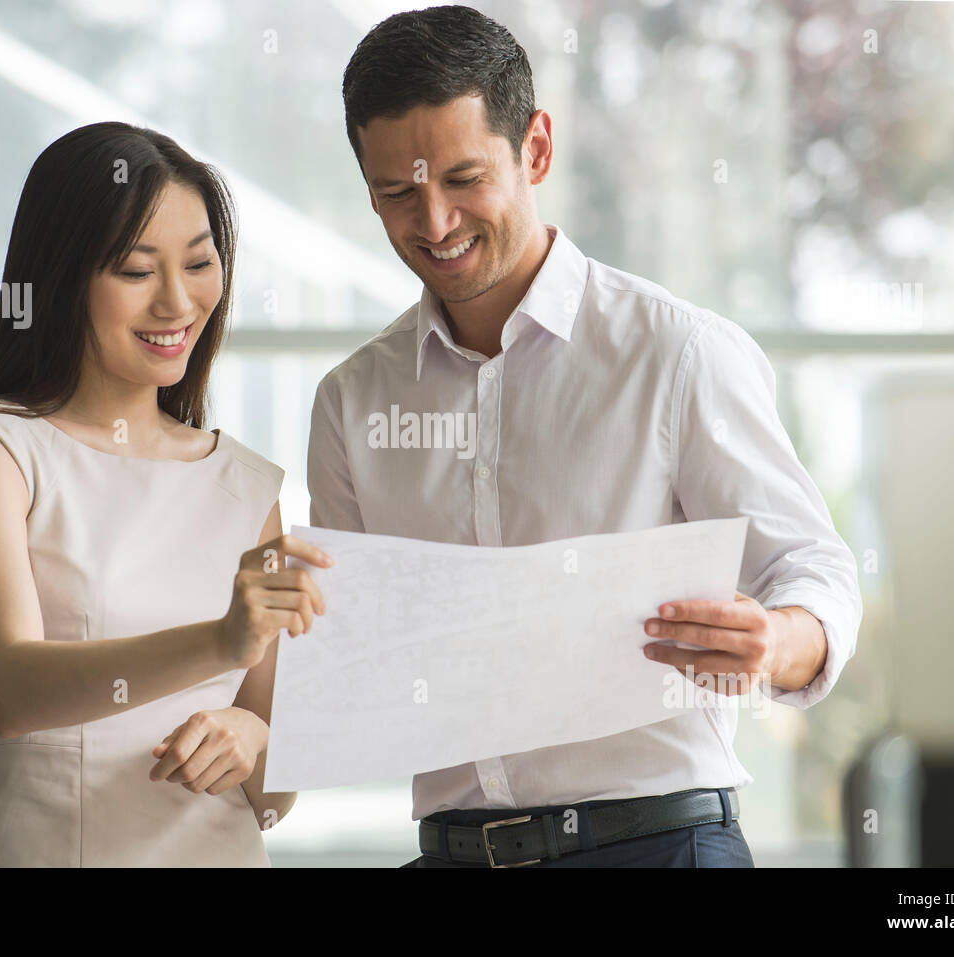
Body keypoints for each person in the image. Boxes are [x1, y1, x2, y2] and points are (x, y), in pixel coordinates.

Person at [308, 6, 863, 867]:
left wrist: (780, 641)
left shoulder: (677, 352)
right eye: (396, 193)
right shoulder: (351, 401)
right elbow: (348, 651)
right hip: (448, 848)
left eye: (464, 178)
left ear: (535, 149)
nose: (435, 221)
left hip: (659, 842)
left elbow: (815, 568)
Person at [0, 121, 331, 866]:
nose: (177, 302)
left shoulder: (246, 483)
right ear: (63, 275)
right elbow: (11, 690)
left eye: (200, 264)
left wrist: (255, 738)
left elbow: (272, 798)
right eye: (136, 271)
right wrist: (218, 643)